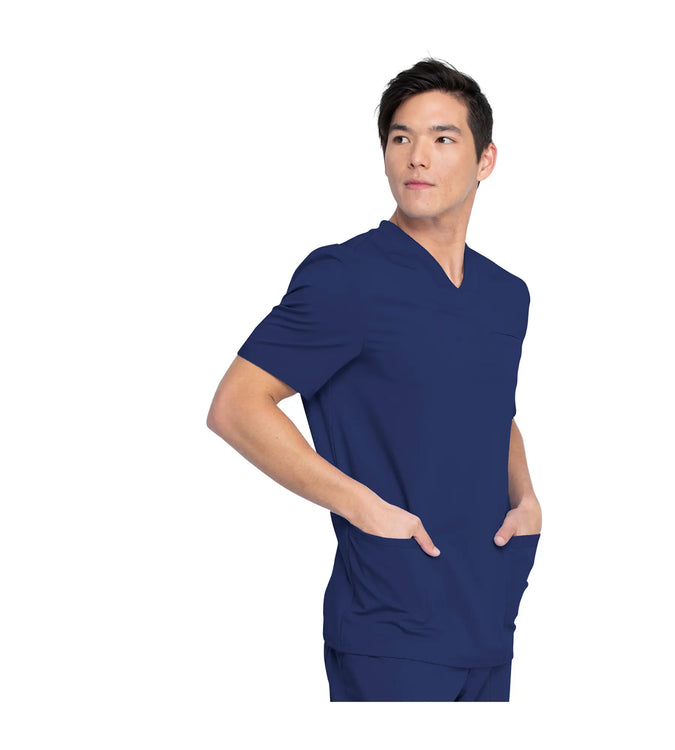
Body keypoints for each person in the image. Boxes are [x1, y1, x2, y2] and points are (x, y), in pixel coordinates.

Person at [207, 57, 543, 701]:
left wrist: (525, 499)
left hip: (490, 613)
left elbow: (492, 411)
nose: (417, 156)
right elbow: (237, 405)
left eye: (443, 138)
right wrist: (361, 506)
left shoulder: (506, 296)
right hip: (391, 622)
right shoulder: (346, 278)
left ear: (485, 160)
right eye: (400, 137)